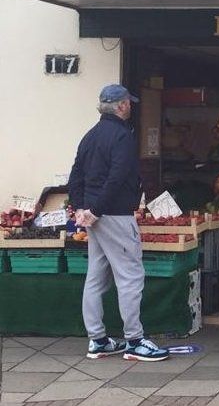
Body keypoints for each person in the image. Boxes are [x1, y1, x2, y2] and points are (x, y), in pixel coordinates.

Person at [68, 85, 169, 362]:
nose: (131, 106)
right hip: (116, 215)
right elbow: (117, 176)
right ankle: (135, 340)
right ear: (122, 106)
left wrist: (81, 209)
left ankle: (97, 339)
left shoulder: (89, 136)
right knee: (130, 276)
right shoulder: (123, 136)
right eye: (129, 102)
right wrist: (97, 209)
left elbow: (75, 175)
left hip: (94, 216)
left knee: (96, 277)